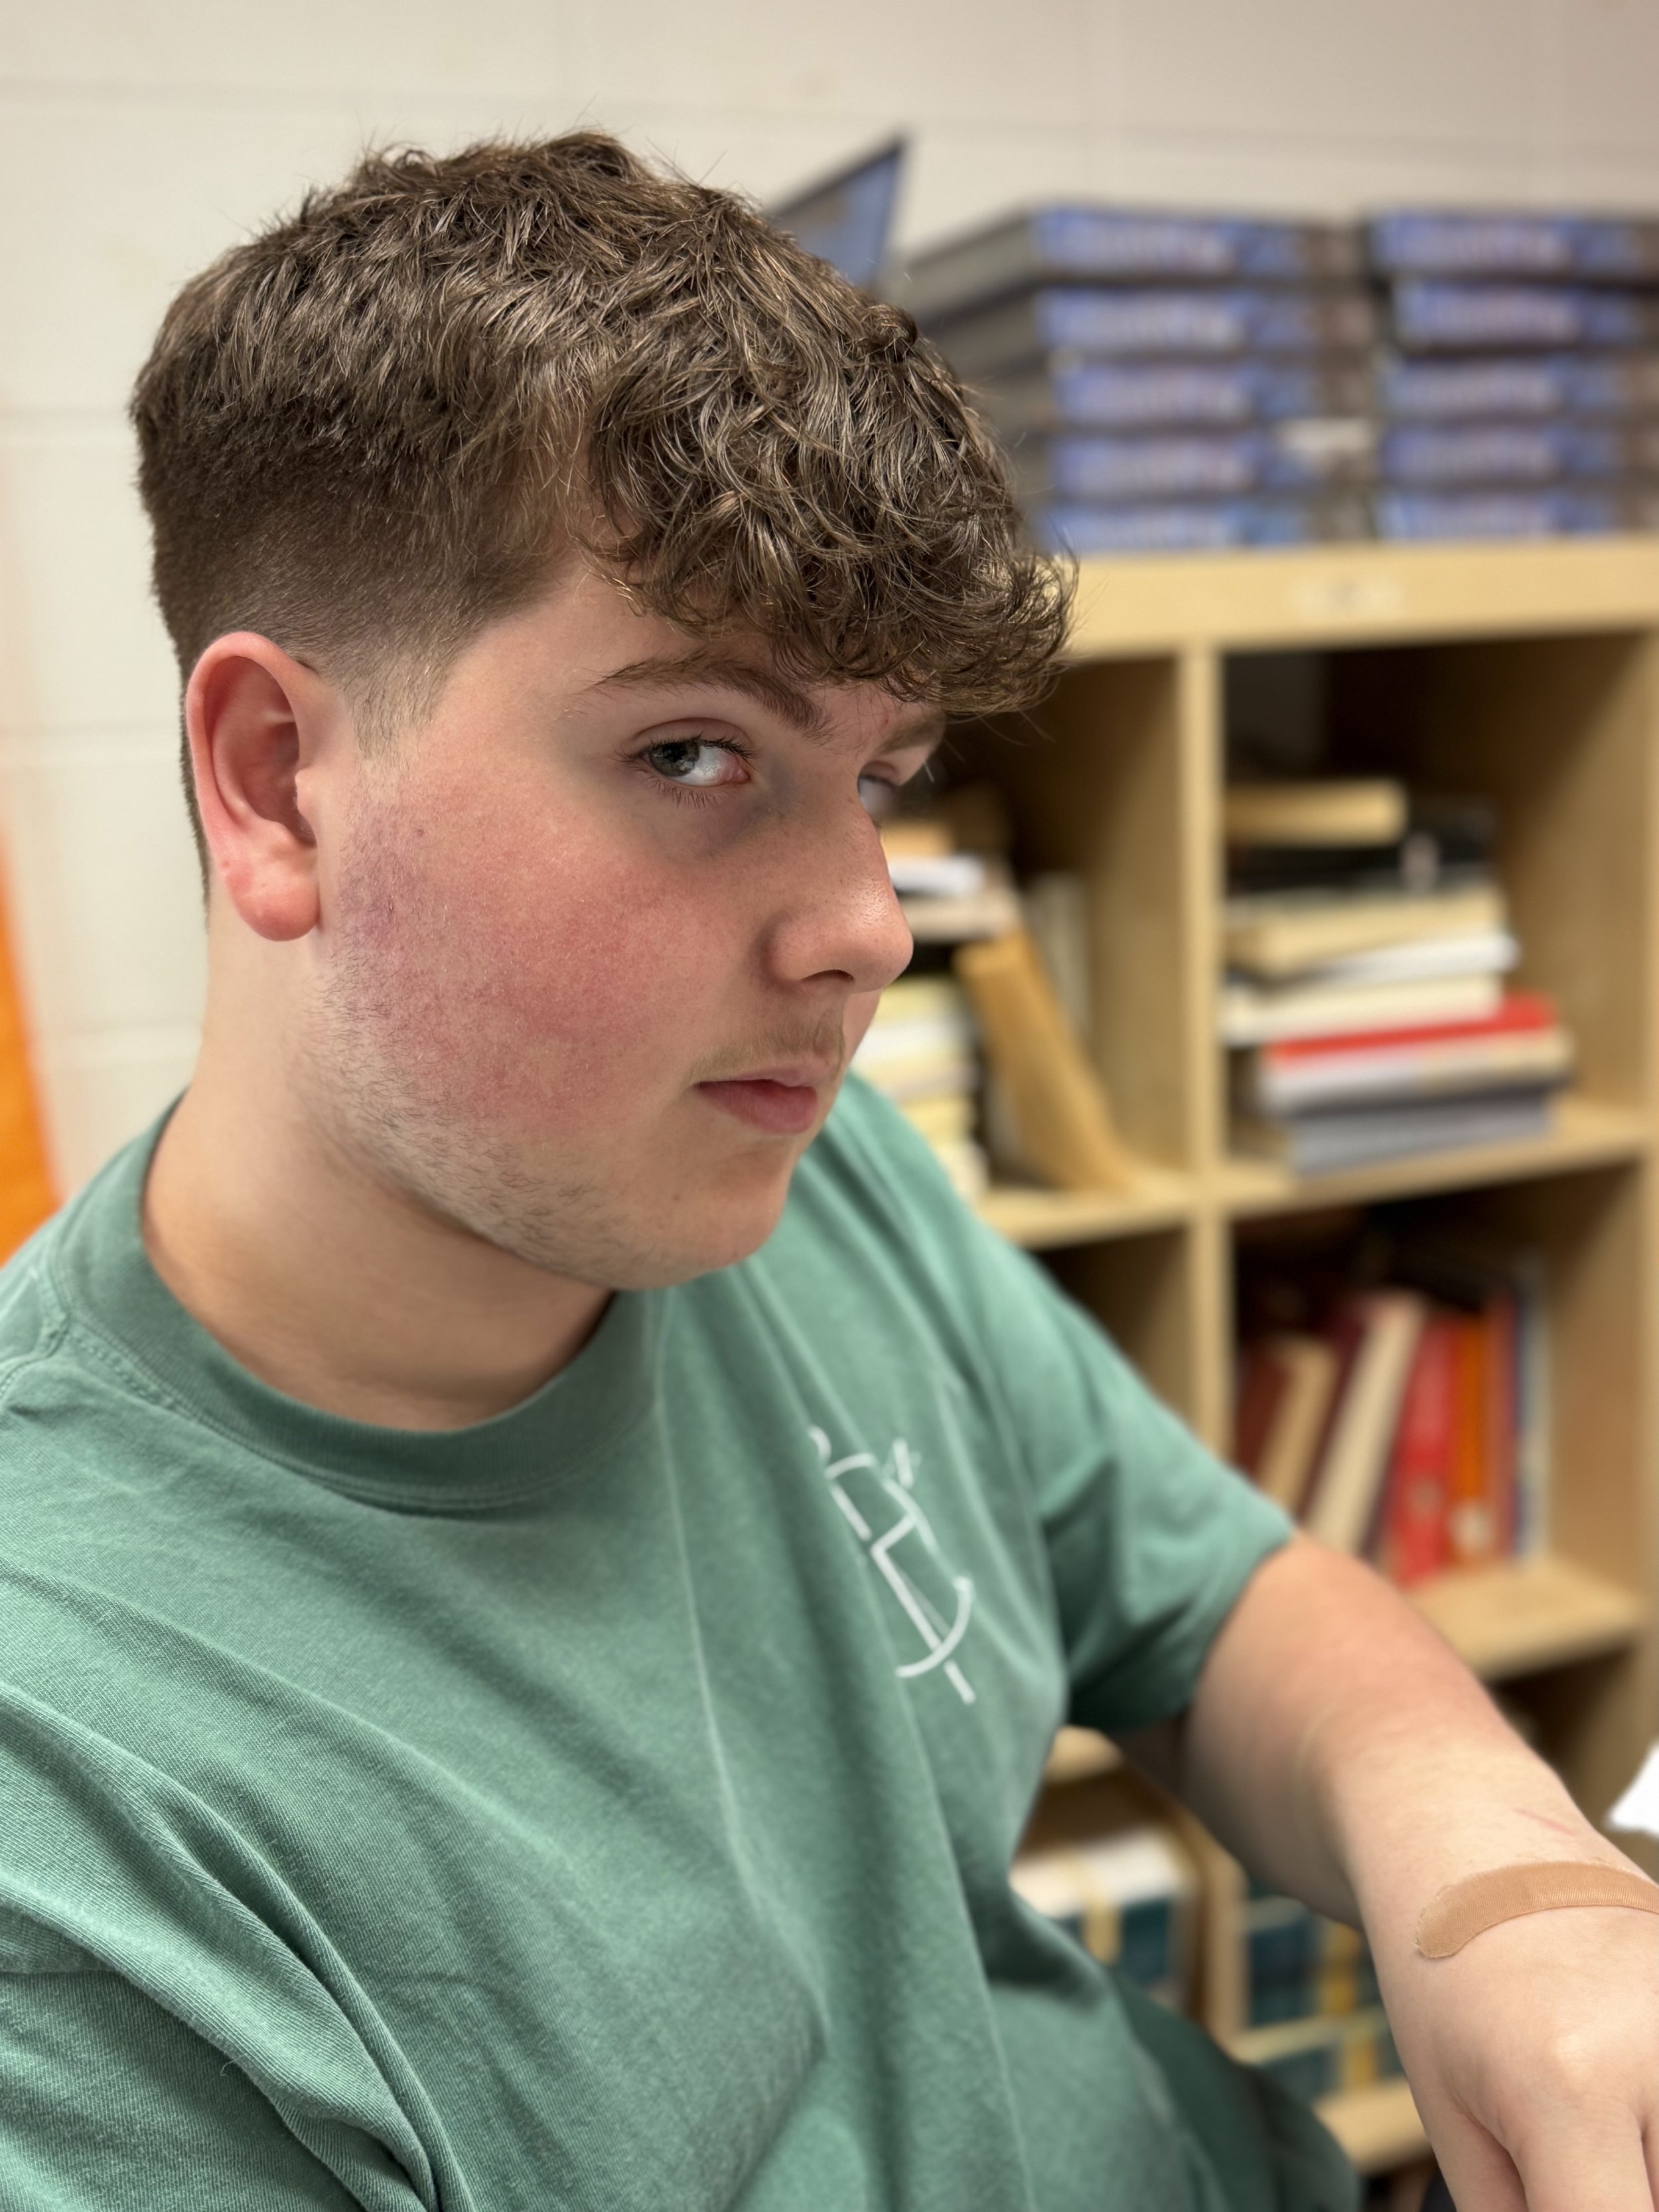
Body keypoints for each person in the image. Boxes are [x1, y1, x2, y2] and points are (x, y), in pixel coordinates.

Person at [0, 133, 1653, 2212]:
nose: (867, 923)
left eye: (877, 778)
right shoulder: (62, 1795)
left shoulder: (795, 1162)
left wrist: (1519, 1900)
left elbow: (1211, 1593)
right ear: (275, 784)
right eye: (696, 753)